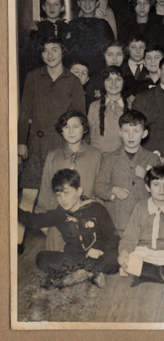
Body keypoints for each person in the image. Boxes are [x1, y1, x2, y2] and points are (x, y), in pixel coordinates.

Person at [18, 37, 86, 234]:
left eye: (54, 49)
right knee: (28, 192)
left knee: (61, 193)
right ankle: (17, 240)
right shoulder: (33, 77)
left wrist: (79, 148)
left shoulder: (72, 81)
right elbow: (24, 111)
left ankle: (61, 239)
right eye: (45, 50)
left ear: (63, 52)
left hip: (61, 144)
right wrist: (21, 141)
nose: (50, 54)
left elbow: (80, 116)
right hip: (36, 144)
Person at [18, 169, 119, 290]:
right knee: (41, 258)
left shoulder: (97, 209)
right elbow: (33, 220)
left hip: (97, 256)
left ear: (79, 191)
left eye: (66, 193)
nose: (63, 199)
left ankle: (73, 277)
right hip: (74, 258)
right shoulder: (59, 213)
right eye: (59, 195)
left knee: (115, 258)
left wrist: (99, 251)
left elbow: (113, 238)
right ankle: (90, 273)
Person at [35, 110, 102, 252]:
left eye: (76, 126)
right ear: (61, 130)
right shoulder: (54, 155)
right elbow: (46, 187)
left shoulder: (95, 154)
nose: (71, 131)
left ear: (84, 129)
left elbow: (99, 189)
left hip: (86, 222)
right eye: (66, 127)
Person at [93, 110, 162, 235]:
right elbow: (98, 187)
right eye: (126, 131)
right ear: (120, 132)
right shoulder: (109, 158)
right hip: (117, 222)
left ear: (144, 133)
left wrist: (146, 176)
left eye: (136, 131)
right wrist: (113, 190)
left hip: (145, 222)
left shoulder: (153, 158)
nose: (131, 136)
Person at [67, 0, 115, 75]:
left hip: (97, 69)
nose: (87, 3)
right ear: (78, 3)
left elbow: (108, 48)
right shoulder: (72, 25)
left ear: (97, 3)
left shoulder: (103, 24)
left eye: (91, 0)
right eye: (84, 0)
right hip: (77, 70)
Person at [88, 65, 131, 155]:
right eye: (109, 79)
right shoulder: (94, 106)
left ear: (124, 82)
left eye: (118, 79)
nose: (113, 83)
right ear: (103, 83)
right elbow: (92, 138)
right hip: (100, 157)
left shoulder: (132, 105)